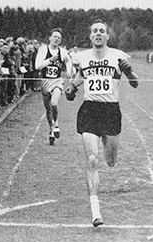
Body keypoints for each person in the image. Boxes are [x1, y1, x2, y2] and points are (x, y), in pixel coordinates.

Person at [64, 19, 138, 227]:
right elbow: (80, 76)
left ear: (107, 36)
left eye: (102, 31)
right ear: (90, 36)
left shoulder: (118, 56)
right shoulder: (83, 57)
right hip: (89, 110)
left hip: (111, 111)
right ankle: (95, 211)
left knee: (110, 161)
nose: (98, 34)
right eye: (94, 31)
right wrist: (72, 88)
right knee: (92, 160)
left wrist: (130, 71)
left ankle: (109, 157)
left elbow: (135, 83)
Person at [35, 28, 72, 145]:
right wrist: (50, 60)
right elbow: (37, 66)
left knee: (54, 103)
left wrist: (69, 71)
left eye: (59, 38)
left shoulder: (63, 51)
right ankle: (51, 129)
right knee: (48, 109)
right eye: (55, 36)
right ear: (50, 38)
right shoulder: (43, 49)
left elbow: (68, 61)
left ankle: (56, 125)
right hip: (45, 82)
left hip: (57, 81)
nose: (56, 39)